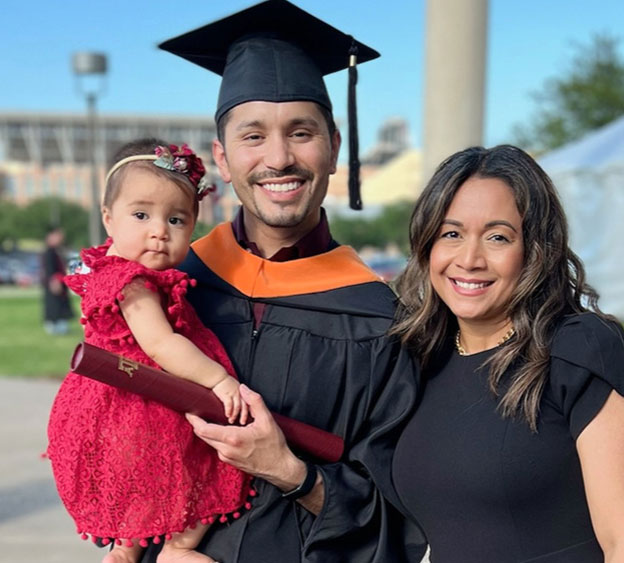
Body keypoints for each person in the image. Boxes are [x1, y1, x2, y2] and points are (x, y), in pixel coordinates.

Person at [141, 1, 425, 561]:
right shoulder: (171, 289)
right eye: (253, 137)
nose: (279, 157)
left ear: (334, 148)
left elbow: (402, 515)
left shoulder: (380, 322)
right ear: (221, 158)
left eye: (301, 132)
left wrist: (291, 473)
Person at [390, 145, 624, 562]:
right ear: (427, 245)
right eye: (451, 234)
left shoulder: (579, 348)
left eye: (498, 237)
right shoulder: (421, 357)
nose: (470, 259)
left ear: (535, 249)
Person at [47, 139, 254, 563]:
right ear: (108, 218)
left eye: (176, 219)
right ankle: (177, 550)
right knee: (212, 465)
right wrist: (219, 379)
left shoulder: (106, 267)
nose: (159, 230)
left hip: (108, 403)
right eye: (141, 215)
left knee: (138, 483)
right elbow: (160, 345)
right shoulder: (135, 284)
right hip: (142, 401)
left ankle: (126, 548)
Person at [42, 226, 73, 334]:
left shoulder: (58, 251)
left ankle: (61, 325)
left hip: (60, 281)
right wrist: (54, 281)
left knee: (61, 304)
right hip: (54, 282)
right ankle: (53, 326)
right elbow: (49, 270)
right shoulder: (49, 252)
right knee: (53, 305)